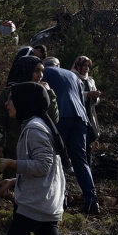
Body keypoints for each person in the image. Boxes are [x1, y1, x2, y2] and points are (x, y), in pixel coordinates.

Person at [0, 81, 73, 235]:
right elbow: (42, 166)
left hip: (35, 204)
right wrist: (13, 180)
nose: (8, 103)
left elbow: (42, 166)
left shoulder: (34, 128)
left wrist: (11, 163)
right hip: (47, 202)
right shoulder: (38, 123)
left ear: (24, 102)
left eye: (12, 99)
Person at [42, 56, 99, 215]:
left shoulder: (45, 72)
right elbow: (81, 99)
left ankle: (60, 199)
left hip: (62, 117)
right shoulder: (73, 75)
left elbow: (43, 96)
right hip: (80, 118)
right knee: (80, 160)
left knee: (56, 158)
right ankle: (92, 200)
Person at [74, 55, 100, 139]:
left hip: (89, 113)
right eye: (84, 65)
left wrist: (95, 97)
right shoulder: (72, 78)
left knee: (89, 137)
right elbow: (72, 95)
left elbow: (95, 101)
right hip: (76, 114)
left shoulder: (90, 81)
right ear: (78, 66)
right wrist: (88, 94)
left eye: (88, 66)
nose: (87, 68)